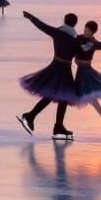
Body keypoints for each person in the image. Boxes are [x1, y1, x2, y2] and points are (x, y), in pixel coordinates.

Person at [16, 10, 81, 139]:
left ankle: (40, 119)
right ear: (75, 24)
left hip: (57, 67)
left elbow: (42, 26)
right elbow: (84, 52)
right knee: (61, 97)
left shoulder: (58, 32)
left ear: (64, 21)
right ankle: (42, 120)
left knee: (55, 96)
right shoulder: (75, 38)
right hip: (63, 69)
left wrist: (31, 17)